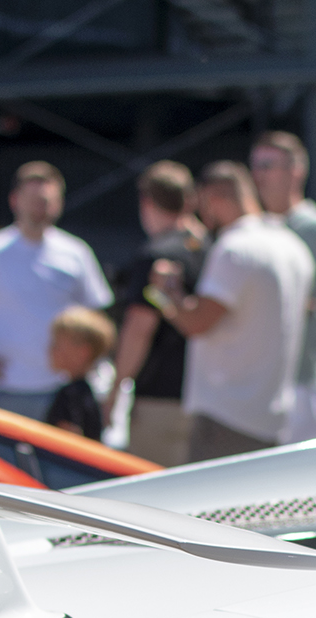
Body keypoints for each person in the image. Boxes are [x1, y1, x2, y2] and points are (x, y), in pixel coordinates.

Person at [145, 161, 313, 461]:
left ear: (214, 198)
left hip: (227, 415)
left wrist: (164, 294)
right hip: (271, 414)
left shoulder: (235, 248)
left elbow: (196, 323)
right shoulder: (294, 247)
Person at [0, 162, 113, 420]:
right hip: (4, 389)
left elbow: (96, 319)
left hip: (62, 389)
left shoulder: (76, 253)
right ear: (15, 200)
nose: (41, 208)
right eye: (34, 200)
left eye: (48, 200)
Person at [109, 162, 207, 466]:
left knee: (153, 499)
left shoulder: (155, 256)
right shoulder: (209, 249)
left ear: (147, 202)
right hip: (205, 399)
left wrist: (115, 389)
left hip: (159, 401)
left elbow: (139, 328)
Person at [251, 130, 316, 444]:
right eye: (256, 166)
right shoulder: (254, 227)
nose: (258, 175)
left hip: (300, 383)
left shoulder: (315, 226)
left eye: (267, 165)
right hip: (258, 385)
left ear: (296, 170)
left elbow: (308, 302)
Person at [45, 307, 116, 440]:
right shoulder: (86, 391)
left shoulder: (72, 395)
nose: (50, 349)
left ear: (83, 352)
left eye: (57, 344)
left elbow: (68, 442)